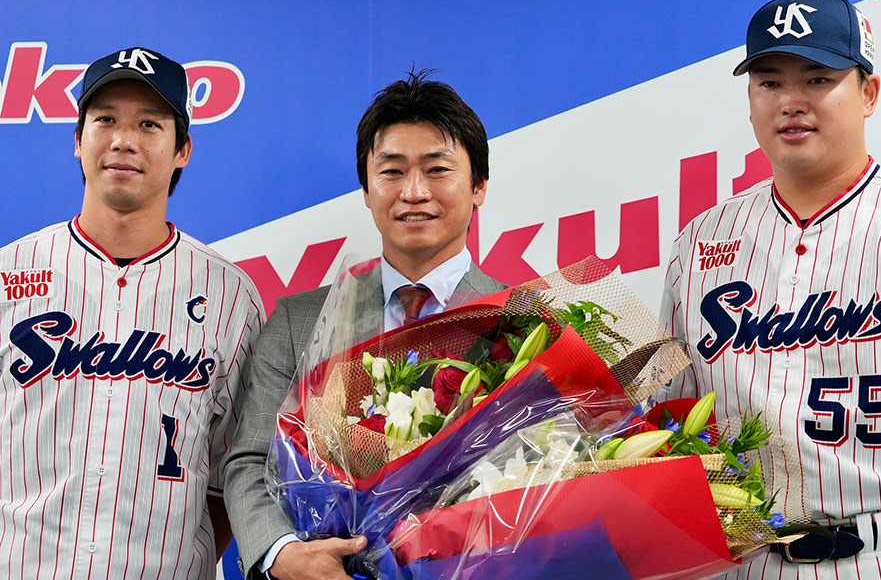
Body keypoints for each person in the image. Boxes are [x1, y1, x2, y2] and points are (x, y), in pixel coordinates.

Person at [223, 70, 505, 580]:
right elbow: (248, 463)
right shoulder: (299, 321)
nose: (414, 192)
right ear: (367, 189)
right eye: (392, 172)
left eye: (437, 170)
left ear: (479, 185)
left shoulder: (525, 321)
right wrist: (282, 552)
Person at [661, 0, 881, 579]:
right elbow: (667, 414)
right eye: (769, 83)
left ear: (868, 93)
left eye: (818, 78)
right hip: (742, 560)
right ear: (750, 102)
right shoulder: (699, 243)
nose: (791, 101)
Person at [0, 47, 264, 579]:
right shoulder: (9, 272)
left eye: (149, 123)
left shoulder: (231, 295)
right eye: (105, 120)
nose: (124, 139)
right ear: (78, 140)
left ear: (182, 149)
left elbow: (236, 470)